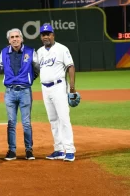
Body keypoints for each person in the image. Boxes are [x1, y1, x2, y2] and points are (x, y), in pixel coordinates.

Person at [36, 24, 77, 162]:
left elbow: (70, 67)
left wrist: (72, 88)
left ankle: (69, 149)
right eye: (43, 34)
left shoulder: (62, 49)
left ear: (53, 35)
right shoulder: (40, 51)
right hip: (45, 88)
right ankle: (59, 149)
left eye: (48, 34)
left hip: (59, 86)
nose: (46, 36)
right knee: (53, 120)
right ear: (41, 37)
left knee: (64, 119)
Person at [0, 28, 39, 161]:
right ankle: (12, 150)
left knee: (26, 122)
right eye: (12, 37)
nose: (15, 39)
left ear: (22, 38)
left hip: (25, 91)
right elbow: (1, 66)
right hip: (9, 91)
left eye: (17, 36)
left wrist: (29, 80)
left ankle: (29, 150)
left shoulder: (31, 51)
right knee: (11, 122)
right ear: (8, 40)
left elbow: (36, 68)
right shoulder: (4, 52)